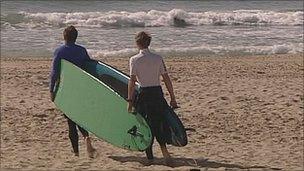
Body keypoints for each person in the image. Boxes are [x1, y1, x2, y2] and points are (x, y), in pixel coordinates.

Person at [127, 31, 178, 163]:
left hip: (144, 94)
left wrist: (130, 101)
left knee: (146, 125)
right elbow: (166, 78)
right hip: (157, 93)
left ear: (137, 43)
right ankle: (164, 150)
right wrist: (172, 97)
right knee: (158, 123)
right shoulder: (158, 58)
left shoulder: (134, 60)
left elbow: (132, 82)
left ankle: (150, 157)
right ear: (149, 43)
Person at [49, 25, 96, 158]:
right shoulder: (82, 50)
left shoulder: (59, 51)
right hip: (80, 88)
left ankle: (76, 152)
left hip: (66, 89)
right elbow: (89, 67)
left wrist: (51, 90)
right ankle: (86, 136)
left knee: (71, 121)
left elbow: (54, 73)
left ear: (64, 37)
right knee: (79, 116)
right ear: (76, 37)